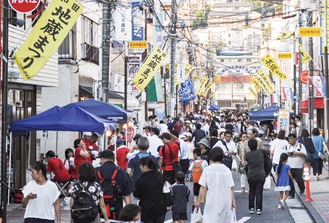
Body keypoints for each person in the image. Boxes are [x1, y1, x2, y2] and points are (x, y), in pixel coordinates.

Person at [194, 147, 235, 222]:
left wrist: (198, 201)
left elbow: (202, 187)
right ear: (222, 157)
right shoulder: (226, 170)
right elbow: (231, 187)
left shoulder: (207, 170)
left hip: (212, 199)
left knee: (211, 219)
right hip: (225, 199)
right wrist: (233, 201)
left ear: (211, 157)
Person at [96, 150, 135, 220]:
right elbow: (127, 195)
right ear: (114, 159)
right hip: (116, 208)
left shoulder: (95, 171)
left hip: (98, 209)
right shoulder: (122, 172)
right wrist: (129, 214)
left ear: (102, 159)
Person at [134, 157, 167, 223]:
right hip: (161, 208)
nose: (140, 167)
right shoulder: (161, 176)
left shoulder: (140, 180)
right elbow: (166, 190)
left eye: (141, 165)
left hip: (147, 209)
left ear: (145, 166)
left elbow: (137, 195)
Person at [245, 138, 269, 215]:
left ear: (249, 146)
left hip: (251, 174)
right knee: (259, 191)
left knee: (251, 191)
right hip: (261, 174)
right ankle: (259, 209)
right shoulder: (261, 152)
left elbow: (245, 162)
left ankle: (251, 208)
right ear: (257, 145)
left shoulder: (247, 154)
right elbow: (269, 152)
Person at [286, 133, 306, 199]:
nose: (290, 140)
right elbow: (284, 155)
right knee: (290, 181)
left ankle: (302, 188)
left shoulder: (300, 145)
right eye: (289, 139)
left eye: (291, 139)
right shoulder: (287, 146)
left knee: (298, 179)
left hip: (298, 166)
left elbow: (304, 155)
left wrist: (297, 153)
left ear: (295, 138)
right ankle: (292, 194)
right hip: (290, 166)